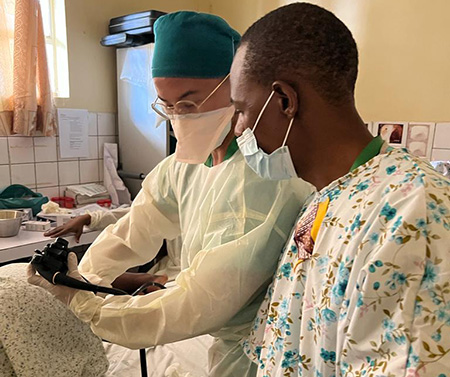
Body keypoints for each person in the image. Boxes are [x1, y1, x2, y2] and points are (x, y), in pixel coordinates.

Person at [28, 11, 312, 377]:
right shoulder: (182, 166)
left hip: (252, 349)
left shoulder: (267, 179)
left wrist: (87, 307)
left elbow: (199, 302)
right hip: (210, 336)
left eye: (190, 103)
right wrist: (81, 279)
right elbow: (133, 231)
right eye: (167, 103)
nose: (178, 116)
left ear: (234, 87)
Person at [229, 3, 450, 376]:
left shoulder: (413, 216)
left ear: (284, 100)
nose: (237, 129)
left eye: (241, 109)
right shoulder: (324, 198)